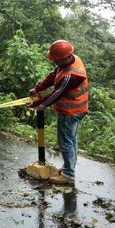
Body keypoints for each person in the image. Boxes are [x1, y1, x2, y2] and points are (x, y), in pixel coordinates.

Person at [28, 40, 88, 186]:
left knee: (66, 141)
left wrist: (38, 104)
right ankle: (69, 168)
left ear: (64, 58)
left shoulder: (71, 76)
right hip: (76, 109)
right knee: (71, 140)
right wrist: (38, 88)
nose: (54, 62)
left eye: (56, 59)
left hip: (71, 112)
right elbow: (54, 74)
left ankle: (68, 175)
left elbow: (57, 94)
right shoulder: (70, 60)